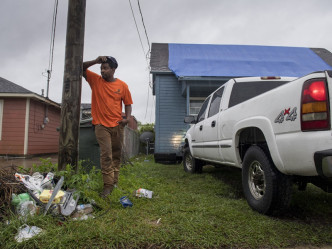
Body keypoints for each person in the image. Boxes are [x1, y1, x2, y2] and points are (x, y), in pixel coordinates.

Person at [83, 56, 133, 197]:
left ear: (113, 69)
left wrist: (127, 119)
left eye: (105, 68)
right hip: (100, 125)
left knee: (117, 155)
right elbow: (80, 68)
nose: (102, 71)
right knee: (106, 155)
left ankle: (114, 182)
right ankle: (107, 186)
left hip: (117, 125)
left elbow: (128, 103)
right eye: (101, 68)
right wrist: (95, 61)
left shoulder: (122, 86)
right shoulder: (95, 81)